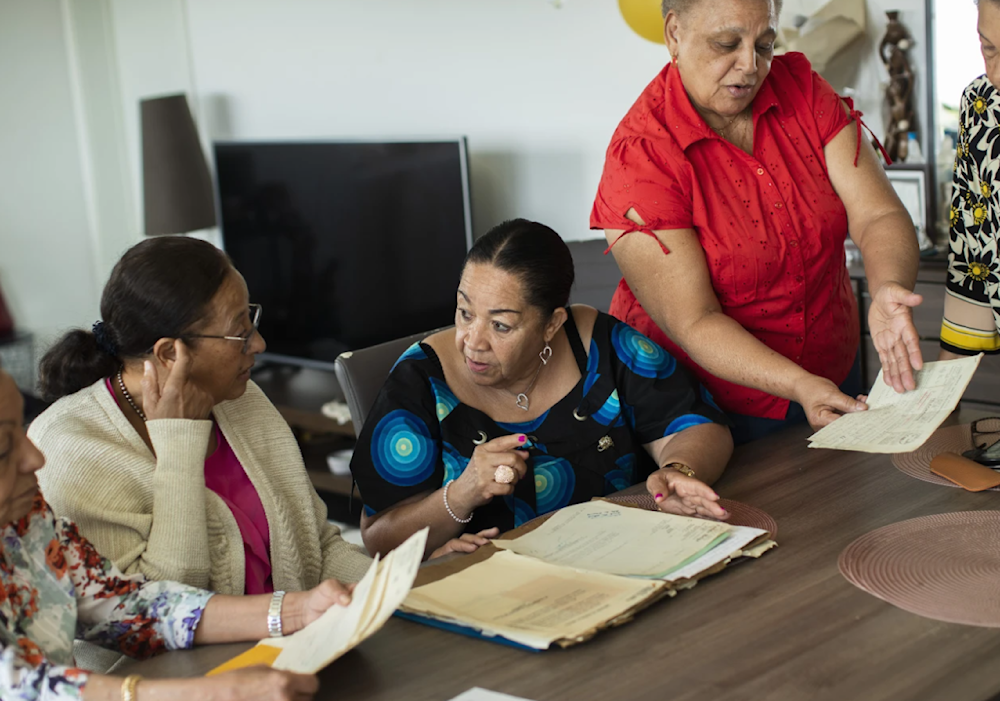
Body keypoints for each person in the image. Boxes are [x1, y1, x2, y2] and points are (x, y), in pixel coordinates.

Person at [29, 237, 371, 669]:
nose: (259, 344)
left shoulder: (240, 398)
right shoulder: (72, 449)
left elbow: (318, 546)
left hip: (298, 655)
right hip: (176, 683)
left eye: (253, 323)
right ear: (170, 353)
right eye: (240, 333)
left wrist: (394, 592)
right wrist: (178, 441)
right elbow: (159, 614)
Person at [590, 0, 924, 443]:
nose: (750, 66)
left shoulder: (801, 87)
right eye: (727, 43)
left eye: (765, 44)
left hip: (830, 373)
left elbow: (878, 213)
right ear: (674, 34)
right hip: (706, 409)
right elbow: (695, 321)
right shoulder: (642, 156)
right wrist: (797, 384)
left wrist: (886, 288)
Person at [351, 219, 733, 557]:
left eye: (501, 325)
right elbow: (378, 537)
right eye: (465, 313)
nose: (472, 341)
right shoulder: (421, 380)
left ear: (552, 324)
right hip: (493, 594)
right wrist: (462, 493)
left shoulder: (596, 343)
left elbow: (697, 425)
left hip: (619, 561)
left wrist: (680, 469)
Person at [0, 362, 351, 701]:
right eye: (4, 448)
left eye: (21, 427)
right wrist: (213, 693)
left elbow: (124, 603)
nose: (34, 458)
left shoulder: (23, 524)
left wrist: (295, 610)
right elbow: (26, 687)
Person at [939, 0, 1000, 360]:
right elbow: (973, 259)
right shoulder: (983, 108)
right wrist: (939, 402)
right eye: (988, 49)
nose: (996, 76)